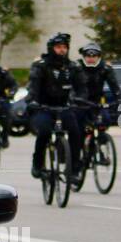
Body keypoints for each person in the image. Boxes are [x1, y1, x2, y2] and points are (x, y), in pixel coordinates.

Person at [26, 32, 88, 179]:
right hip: (43, 107)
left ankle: (74, 169)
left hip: (64, 107)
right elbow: (33, 86)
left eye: (64, 47)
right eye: (58, 47)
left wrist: (80, 99)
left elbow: (82, 87)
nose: (62, 50)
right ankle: (37, 164)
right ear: (51, 48)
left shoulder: (73, 67)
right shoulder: (40, 66)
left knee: (75, 132)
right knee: (45, 132)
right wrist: (33, 101)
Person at [77, 42, 121, 131]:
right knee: (81, 125)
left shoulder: (105, 68)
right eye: (88, 56)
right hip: (80, 101)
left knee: (105, 119)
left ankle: (102, 139)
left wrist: (119, 98)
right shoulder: (77, 68)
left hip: (98, 99)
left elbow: (114, 85)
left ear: (98, 57)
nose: (91, 58)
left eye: (94, 56)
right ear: (84, 56)